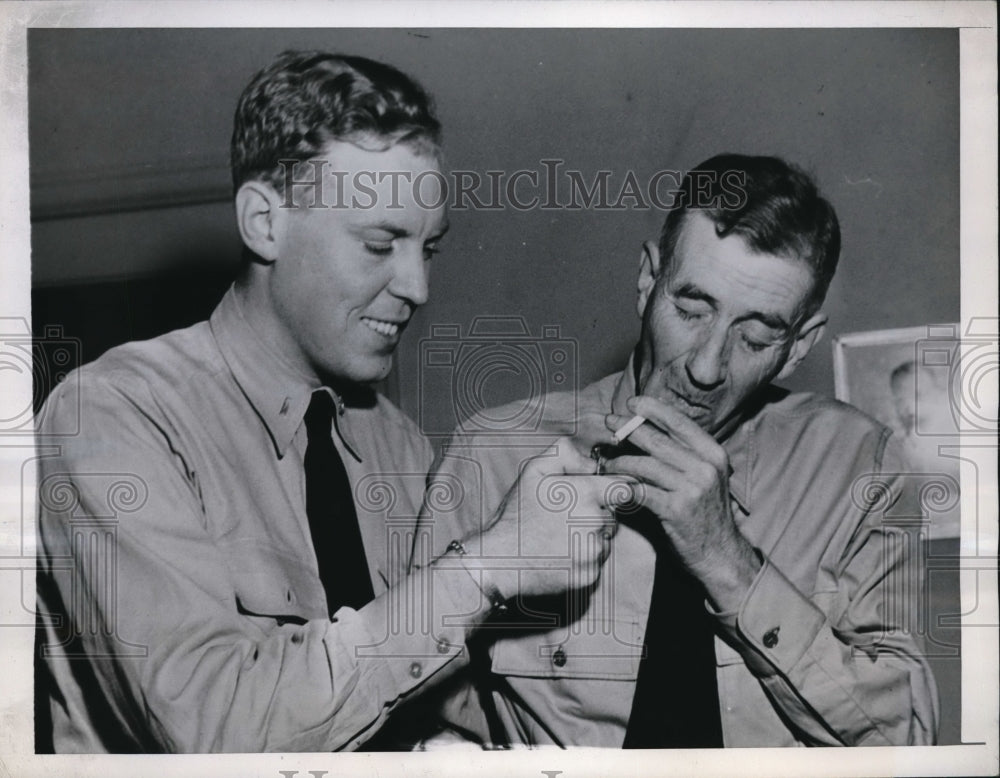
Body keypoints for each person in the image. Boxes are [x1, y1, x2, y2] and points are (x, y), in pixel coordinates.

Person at [34, 50, 627, 753]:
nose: (417, 288)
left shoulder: (399, 445)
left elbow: (415, 687)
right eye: (381, 245)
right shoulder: (113, 416)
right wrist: (485, 566)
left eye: (428, 249)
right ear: (263, 222)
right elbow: (214, 732)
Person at [419, 154, 940, 747]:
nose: (706, 366)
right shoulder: (493, 455)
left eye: (756, 335)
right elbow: (414, 713)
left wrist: (728, 562)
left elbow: (907, 740)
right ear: (648, 281)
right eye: (691, 310)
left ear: (798, 347)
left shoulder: (861, 467)